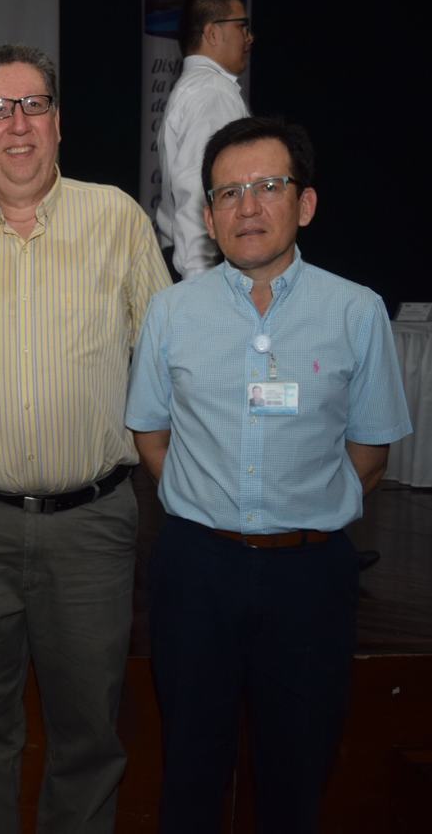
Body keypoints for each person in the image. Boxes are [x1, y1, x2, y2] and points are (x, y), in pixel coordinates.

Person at [0, 44, 171, 833]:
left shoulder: (115, 218)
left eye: (33, 106)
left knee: (88, 730)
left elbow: (166, 359)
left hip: (91, 526)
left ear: (56, 122)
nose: (17, 125)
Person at [126, 116, 411, 833]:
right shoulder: (169, 313)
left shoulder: (356, 312)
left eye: (266, 187)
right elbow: (151, 437)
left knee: (297, 771)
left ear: (303, 203)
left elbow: (369, 453)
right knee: (189, 768)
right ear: (208, 215)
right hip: (196, 573)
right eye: (227, 193)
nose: (246, 207)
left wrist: (298, 512)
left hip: (308, 578)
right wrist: (210, 509)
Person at [156, 0, 253, 281]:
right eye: (242, 27)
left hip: (193, 263)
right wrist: (200, 291)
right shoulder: (211, 93)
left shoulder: (196, 89)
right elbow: (197, 195)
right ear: (212, 33)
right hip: (205, 269)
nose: (249, 38)